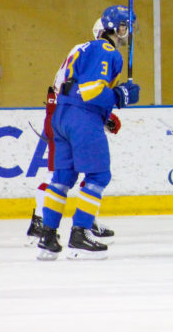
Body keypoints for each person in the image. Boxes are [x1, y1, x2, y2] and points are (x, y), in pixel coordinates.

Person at [36, 5, 140, 260]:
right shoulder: (105, 49)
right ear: (118, 28)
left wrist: (106, 114)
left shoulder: (83, 47)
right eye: (127, 27)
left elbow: (70, 87)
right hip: (82, 117)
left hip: (61, 115)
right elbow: (91, 91)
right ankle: (80, 232)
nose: (128, 33)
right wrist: (120, 95)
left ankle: (48, 236)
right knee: (98, 174)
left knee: (61, 177)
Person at [26, 18, 119, 246]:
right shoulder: (99, 51)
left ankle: (52, 228)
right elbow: (86, 90)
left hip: (61, 110)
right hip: (72, 110)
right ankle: (42, 220)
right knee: (66, 174)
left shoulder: (81, 49)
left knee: (62, 175)